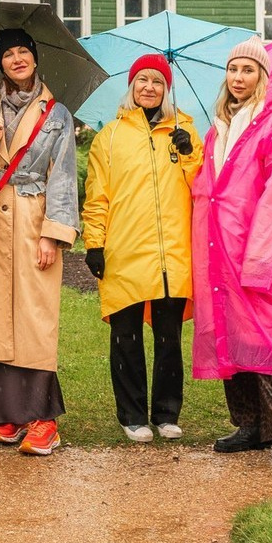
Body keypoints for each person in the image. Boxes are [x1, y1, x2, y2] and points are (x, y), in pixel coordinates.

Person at [0, 28, 79, 456]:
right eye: (8, 54)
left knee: (33, 317)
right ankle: (5, 412)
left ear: (35, 57)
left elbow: (63, 176)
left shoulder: (57, 113)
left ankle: (43, 419)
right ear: (0, 62)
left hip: (32, 220)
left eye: (24, 50)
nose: (17, 59)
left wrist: (53, 236)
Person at [191, 35, 272, 474]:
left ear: (263, 76)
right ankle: (249, 425)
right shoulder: (219, 126)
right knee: (228, 333)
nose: (238, 78)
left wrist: (260, 258)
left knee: (265, 337)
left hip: (252, 251)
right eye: (233, 69)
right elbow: (209, 187)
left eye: (248, 70)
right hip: (217, 248)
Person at [82, 54, 203, 442]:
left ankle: (166, 413)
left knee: (169, 338)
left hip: (173, 251)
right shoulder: (110, 136)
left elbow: (201, 186)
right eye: (142, 80)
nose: (149, 87)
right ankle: (132, 415)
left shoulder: (186, 130)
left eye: (157, 81)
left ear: (166, 89)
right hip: (124, 251)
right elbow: (97, 195)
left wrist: (189, 153)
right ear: (131, 86)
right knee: (126, 335)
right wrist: (95, 243)